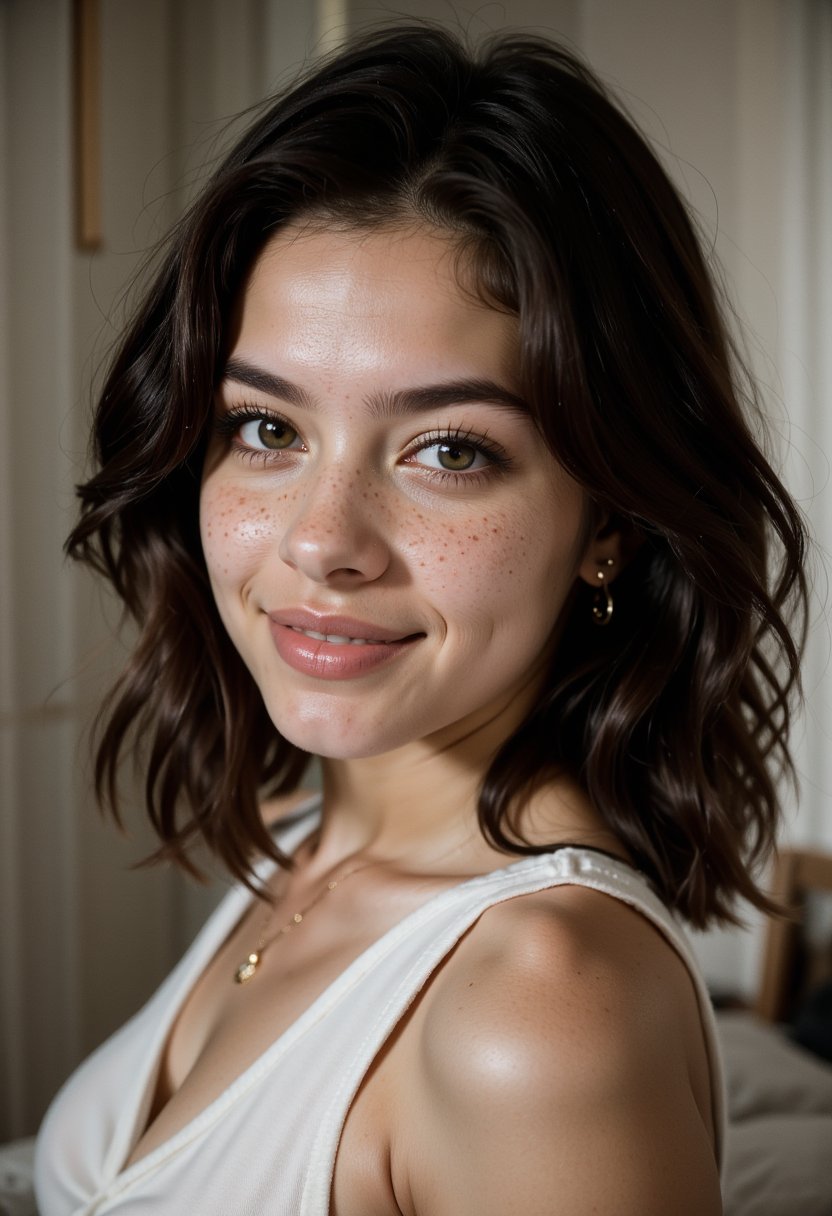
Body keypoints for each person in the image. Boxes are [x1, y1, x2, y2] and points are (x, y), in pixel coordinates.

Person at [35, 23, 806, 1216]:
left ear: (612, 517)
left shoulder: (538, 1013)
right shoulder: (308, 837)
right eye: (267, 428)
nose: (321, 540)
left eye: (449, 448)